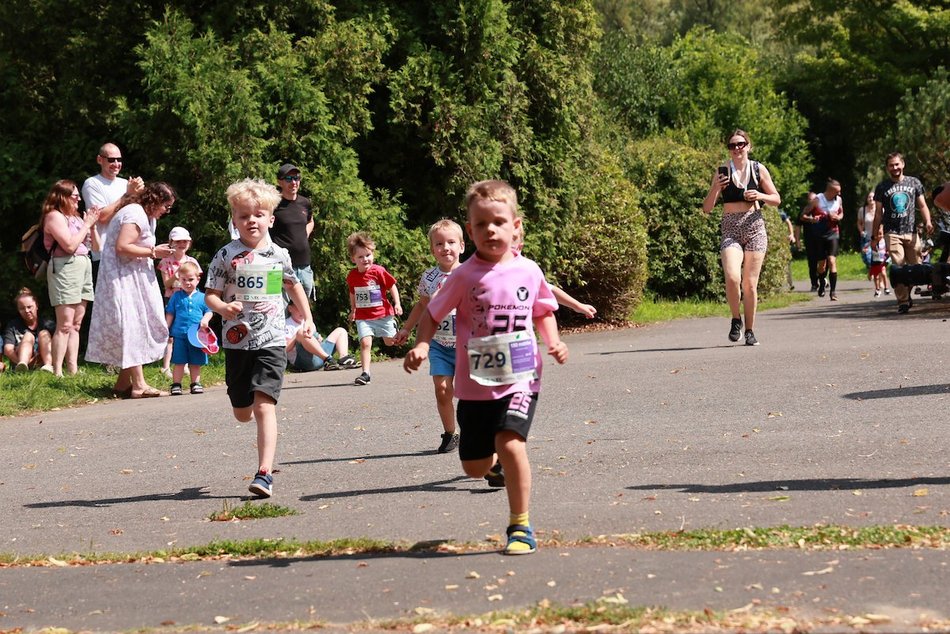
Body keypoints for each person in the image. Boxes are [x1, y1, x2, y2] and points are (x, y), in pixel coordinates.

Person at [404, 179, 568, 556]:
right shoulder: (463, 275)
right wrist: (422, 344)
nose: (490, 230)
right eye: (481, 225)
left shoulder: (529, 270)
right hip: (476, 384)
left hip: (523, 377)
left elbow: (543, 311)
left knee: (511, 442)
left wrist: (553, 340)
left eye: (498, 222)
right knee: (474, 468)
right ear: (470, 230)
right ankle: (491, 466)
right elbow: (431, 313)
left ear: (516, 226)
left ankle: (520, 525)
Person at [205, 178, 315, 499]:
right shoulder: (226, 255)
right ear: (234, 220)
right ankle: (244, 403)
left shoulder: (279, 254)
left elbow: (293, 286)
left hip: (271, 340)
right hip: (237, 340)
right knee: (243, 410)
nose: (251, 220)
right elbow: (210, 295)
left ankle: (264, 473)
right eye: (243, 216)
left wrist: (306, 317)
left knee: (265, 405)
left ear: (270, 219)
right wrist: (223, 307)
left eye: (258, 214)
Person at [85, 182, 176, 398]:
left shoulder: (141, 214)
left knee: (135, 324)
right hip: (123, 278)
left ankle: (122, 385)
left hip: (129, 276)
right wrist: (153, 252)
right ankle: (139, 385)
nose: (166, 211)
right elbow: (122, 247)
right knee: (134, 324)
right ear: (155, 200)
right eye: (166, 205)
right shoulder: (135, 213)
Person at [702, 129, 782, 346]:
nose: (737, 148)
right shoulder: (722, 172)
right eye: (732, 145)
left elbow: (776, 199)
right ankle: (736, 319)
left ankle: (750, 330)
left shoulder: (758, 169)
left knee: (750, 284)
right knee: (732, 277)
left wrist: (760, 195)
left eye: (740, 144)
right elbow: (707, 208)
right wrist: (715, 188)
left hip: (754, 227)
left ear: (748, 146)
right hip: (730, 228)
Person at [394, 219, 465, 454]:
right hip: (439, 345)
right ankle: (450, 433)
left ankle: (476, 432)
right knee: (442, 389)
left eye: (451, 242)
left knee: (470, 396)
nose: (446, 247)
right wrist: (406, 329)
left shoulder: (471, 275)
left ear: (462, 246)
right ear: (432, 250)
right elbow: (422, 307)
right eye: (439, 243)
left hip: (468, 346)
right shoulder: (429, 278)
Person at [41, 179, 101, 376]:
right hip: (65, 267)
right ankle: (58, 371)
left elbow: (97, 248)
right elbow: (68, 245)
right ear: (62, 197)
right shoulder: (54, 216)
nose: (79, 199)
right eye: (75, 196)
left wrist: (91, 226)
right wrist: (86, 224)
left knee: (76, 323)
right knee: (65, 324)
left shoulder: (75, 217)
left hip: (83, 265)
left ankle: (72, 369)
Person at [872, 152, 933, 314]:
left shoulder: (914, 183)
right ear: (887, 168)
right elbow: (878, 213)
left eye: (897, 164)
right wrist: (874, 235)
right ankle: (903, 301)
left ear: (903, 164)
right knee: (898, 267)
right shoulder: (882, 187)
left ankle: (907, 293)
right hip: (892, 232)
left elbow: (923, 206)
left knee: (916, 268)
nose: (895, 168)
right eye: (891, 165)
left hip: (912, 232)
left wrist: (927, 222)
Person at [346, 231, 402, 386]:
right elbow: (353, 293)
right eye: (361, 257)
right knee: (365, 343)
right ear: (353, 259)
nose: (365, 259)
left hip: (383, 314)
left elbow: (392, 286)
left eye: (368, 255)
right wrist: (353, 310)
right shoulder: (352, 276)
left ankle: (394, 327)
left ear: (373, 254)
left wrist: (397, 303)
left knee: (390, 342)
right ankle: (365, 373)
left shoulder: (378, 271)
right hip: (364, 317)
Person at [81, 142, 144, 280]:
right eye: (111, 160)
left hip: (128, 254)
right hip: (104, 254)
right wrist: (127, 195)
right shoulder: (92, 184)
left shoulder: (124, 184)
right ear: (100, 160)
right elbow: (101, 217)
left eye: (119, 160)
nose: (116, 164)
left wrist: (139, 193)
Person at [157, 226, 201, 378]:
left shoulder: (192, 262)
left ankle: (187, 364)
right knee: (170, 334)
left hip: (188, 300)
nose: (182, 244)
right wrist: (176, 275)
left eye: (185, 241)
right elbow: (166, 285)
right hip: (172, 299)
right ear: (171, 243)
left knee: (189, 331)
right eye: (178, 241)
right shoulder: (165, 262)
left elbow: (196, 281)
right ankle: (166, 366)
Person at [164, 262, 212, 395]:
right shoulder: (176, 296)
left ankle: (195, 383)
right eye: (183, 280)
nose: (187, 283)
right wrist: (166, 327)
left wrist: (205, 320)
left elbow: (209, 311)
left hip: (197, 337)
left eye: (190, 279)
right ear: (179, 280)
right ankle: (176, 384)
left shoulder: (202, 298)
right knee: (179, 361)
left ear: (198, 279)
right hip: (179, 335)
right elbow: (170, 313)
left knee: (195, 362)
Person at [272, 163, 315, 301]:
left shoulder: (305, 202)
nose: (294, 182)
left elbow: (310, 221)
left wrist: (305, 234)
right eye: (289, 179)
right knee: (280, 308)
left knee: (303, 309)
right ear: (280, 181)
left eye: (296, 178)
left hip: (304, 265)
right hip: (280, 266)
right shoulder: (273, 204)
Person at [285, 300, 357, 372]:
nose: (301, 311)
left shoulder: (309, 322)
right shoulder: (286, 325)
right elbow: (285, 349)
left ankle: (343, 358)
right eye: (298, 308)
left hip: (318, 356)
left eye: (304, 308)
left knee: (340, 331)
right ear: (290, 308)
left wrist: (318, 339)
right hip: (303, 360)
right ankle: (328, 359)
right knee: (301, 332)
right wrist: (298, 335)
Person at [802, 179, 844, 300]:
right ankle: (821, 284)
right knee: (822, 265)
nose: (839, 194)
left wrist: (838, 217)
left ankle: (833, 292)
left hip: (833, 233)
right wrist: (812, 219)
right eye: (837, 192)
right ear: (830, 190)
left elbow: (842, 213)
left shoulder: (839, 200)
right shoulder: (817, 200)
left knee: (832, 260)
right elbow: (803, 215)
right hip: (819, 235)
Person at [3, 288, 54, 373]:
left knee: (44, 333)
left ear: (37, 305)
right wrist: (26, 363)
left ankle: (48, 366)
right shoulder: (13, 325)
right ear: (18, 310)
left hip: (41, 362)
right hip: (19, 361)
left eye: (29, 307)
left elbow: (59, 345)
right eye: (22, 308)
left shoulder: (48, 324)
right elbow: (8, 350)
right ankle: (22, 364)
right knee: (28, 335)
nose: (26, 311)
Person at [799, 192, 821, 292]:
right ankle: (814, 284)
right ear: (808, 201)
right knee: (812, 263)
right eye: (811, 200)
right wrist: (798, 240)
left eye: (815, 199)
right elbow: (798, 225)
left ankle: (822, 279)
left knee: (823, 261)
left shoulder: (821, 209)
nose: (813, 202)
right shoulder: (804, 211)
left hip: (822, 240)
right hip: (810, 241)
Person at [867, 225, 891, 297]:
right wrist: (874, 241)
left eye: (880, 234)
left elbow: (888, 249)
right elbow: (871, 247)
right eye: (877, 234)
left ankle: (886, 288)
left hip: (883, 261)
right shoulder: (873, 242)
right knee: (876, 276)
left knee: (883, 273)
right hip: (875, 261)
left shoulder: (885, 241)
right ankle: (877, 289)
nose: (879, 236)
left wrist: (888, 253)